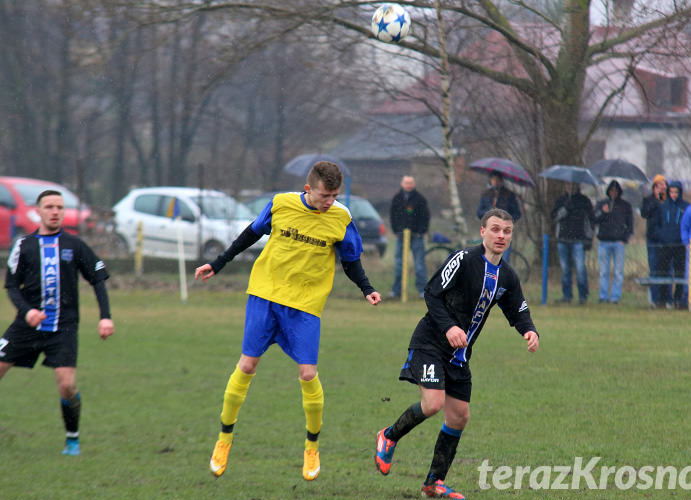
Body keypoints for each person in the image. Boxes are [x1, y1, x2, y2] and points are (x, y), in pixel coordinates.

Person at [195, 161, 381, 481]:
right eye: (325, 195)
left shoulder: (341, 218)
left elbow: (351, 261)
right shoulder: (281, 204)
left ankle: (311, 446)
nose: (330, 202)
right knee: (247, 365)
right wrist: (218, 263)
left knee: (308, 374)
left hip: (306, 305)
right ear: (308, 189)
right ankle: (224, 439)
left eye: (335, 196)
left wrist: (367, 288)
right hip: (265, 295)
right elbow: (250, 235)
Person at [374, 208, 539, 499]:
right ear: (482, 232)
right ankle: (388, 436)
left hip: (458, 356)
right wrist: (449, 326)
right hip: (430, 343)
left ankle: (432, 483)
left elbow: (518, 308)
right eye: (496, 229)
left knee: (459, 417)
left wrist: (529, 330)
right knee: (433, 402)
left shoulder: (508, 275)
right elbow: (431, 292)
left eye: (507, 231)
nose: (501, 235)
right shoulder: (463, 259)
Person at [0, 189, 115, 456]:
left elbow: (98, 278)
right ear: (38, 211)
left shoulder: (74, 245)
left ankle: (72, 439)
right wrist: (27, 311)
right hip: (25, 326)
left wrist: (105, 317)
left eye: (59, 207)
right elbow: (11, 286)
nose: (55, 212)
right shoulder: (24, 245)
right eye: (49, 207)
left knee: (66, 385)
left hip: (63, 328)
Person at [550, 182, 594, 304]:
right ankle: (567, 295)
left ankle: (583, 296)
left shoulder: (584, 201)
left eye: (572, 185)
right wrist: (565, 209)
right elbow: (554, 217)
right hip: (563, 240)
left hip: (579, 240)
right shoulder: (561, 200)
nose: (570, 187)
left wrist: (589, 239)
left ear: (577, 186)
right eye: (568, 185)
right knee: (565, 270)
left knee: (580, 269)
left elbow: (591, 220)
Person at [389, 175, 430, 298]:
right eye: (406, 183)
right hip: (401, 236)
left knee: (419, 265)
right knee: (399, 264)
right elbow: (393, 216)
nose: (408, 185)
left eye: (411, 183)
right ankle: (396, 290)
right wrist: (396, 230)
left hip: (417, 236)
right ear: (402, 184)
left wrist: (421, 231)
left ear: (414, 184)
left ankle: (422, 291)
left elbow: (425, 217)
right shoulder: (397, 198)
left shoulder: (420, 199)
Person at [593, 180, 633, 304]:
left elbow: (630, 225)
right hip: (603, 242)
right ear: (608, 191)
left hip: (618, 243)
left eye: (615, 191)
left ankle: (615, 297)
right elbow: (594, 219)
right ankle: (603, 296)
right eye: (611, 190)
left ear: (619, 191)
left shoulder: (625, 206)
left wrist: (624, 239)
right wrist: (603, 212)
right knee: (604, 272)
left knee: (618, 272)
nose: (613, 193)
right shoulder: (602, 204)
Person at [655, 181, 689, 308]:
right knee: (663, 272)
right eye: (671, 192)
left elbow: (688, 225)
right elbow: (657, 225)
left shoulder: (686, 207)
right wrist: (662, 236)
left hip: (680, 245)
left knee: (680, 273)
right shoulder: (662, 206)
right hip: (665, 245)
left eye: (676, 192)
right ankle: (662, 299)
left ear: (680, 193)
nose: (674, 194)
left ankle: (678, 300)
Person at [476, 171, 521, 263]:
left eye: (497, 180)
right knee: (487, 257)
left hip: (504, 232)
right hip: (490, 230)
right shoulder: (486, 194)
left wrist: (506, 220)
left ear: (501, 181)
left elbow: (517, 213)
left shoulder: (509, 194)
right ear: (490, 180)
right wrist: (489, 213)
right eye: (493, 180)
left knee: (503, 259)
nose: (495, 182)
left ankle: (501, 276)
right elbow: (479, 212)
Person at [640, 174, 668, 306]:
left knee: (667, 270)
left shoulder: (668, 200)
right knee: (654, 269)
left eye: (664, 185)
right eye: (659, 185)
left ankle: (666, 299)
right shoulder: (648, 200)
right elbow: (644, 213)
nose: (662, 188)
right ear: (654, 187)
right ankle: (654, 299)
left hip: (666, 240)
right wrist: (656, 200)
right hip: (652, 239)